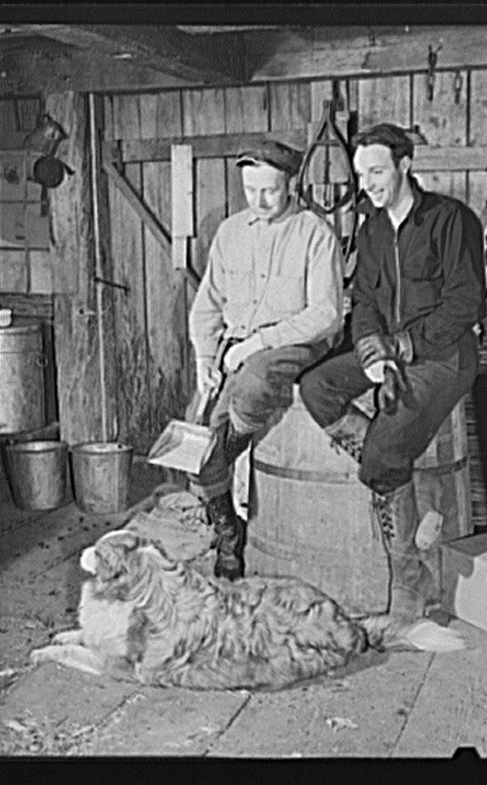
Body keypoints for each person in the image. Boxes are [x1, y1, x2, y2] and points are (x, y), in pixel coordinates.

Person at [299, 123, 487, 624]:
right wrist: (370, 352)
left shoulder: (451, 219)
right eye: (362, 175)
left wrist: (402, 346)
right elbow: (362, 301)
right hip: (391, 352)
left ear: (405, 165)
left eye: (377, 171)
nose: (369, 185)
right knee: (316, 387)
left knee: (382, 452)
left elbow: (466, 303)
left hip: (444, 357)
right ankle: (392, 472)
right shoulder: (372, 229)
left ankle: (411, 582)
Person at [188, 139, 344, 581]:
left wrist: (257, 344)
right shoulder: (231, 232)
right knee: (192, 435)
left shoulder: (315, 232)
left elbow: (326, 313)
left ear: (291, 184)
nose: (257, 200)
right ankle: (228, 532)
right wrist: (205, 357)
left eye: (269, 191)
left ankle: (219, 455)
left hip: (293, 341)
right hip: (234, 344)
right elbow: (207, 305)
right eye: (249, 189)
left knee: (254, 385)